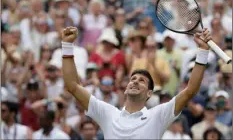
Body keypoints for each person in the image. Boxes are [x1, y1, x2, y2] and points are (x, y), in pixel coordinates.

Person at [61, 26, 212, 139]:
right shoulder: (108, 113)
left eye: (141, 81)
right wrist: (67, 46)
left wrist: (203, 51)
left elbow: (191, 89)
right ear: (126, 88)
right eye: (132, 79)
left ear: (149, 93)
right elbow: (73, 86)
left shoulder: (158, 115)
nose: (135, 82)